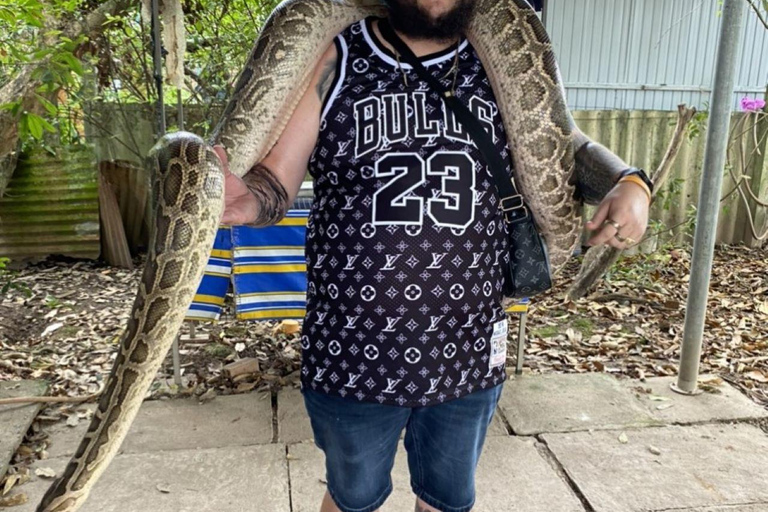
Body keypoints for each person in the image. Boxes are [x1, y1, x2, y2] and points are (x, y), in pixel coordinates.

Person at [214, 1, 651, 511]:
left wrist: (630, 182)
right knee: (351, 497)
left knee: (447, 498)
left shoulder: (500, 62)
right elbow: (275, 180)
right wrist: (248, 199)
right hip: (350, 353)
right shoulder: (335, 56)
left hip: (467, 353)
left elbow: (564, 142)